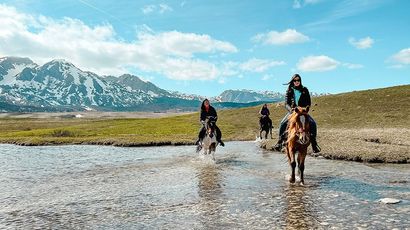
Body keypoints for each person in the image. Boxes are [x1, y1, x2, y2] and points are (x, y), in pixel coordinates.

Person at [273, 74, 321, 153]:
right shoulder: (289, 90)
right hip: (293, 112)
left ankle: (314, 144)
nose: (297, 82)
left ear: (300, 81)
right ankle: (279, 142)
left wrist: (305, 109)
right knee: (282, 123)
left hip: (303, 112)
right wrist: (291, 110)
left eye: (298, 80)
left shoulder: (305, 89)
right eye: (295, 80)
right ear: (293, 81)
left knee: (313, 123)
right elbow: (286, 103)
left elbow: (308, 102)